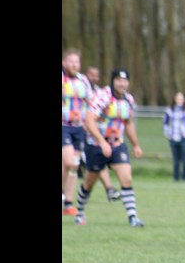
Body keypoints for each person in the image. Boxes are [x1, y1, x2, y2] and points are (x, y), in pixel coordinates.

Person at [75, 69, 145, 227]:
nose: (122, 83)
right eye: (119, 80)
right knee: (89, 183)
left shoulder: (128, 99)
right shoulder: (103, 96)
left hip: (117, 144)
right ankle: (79, 212)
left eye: (125, 80)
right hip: (95, 145)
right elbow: (89, 120)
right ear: (113, 81)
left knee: (126, 178)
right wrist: (101, 142)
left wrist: (135, 145)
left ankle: (132, 217)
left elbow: (128, 123)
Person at [83, 66, 122, 203]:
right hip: (74, 129)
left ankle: (109, 189)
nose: (94, 78)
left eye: (96, 75)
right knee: (73, 165)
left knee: (94, 165)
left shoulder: (101, 92)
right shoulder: (80, 86)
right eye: (91, 74)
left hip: (90, 133)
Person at [62, 48, 94, 216]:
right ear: (64, 63)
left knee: (73, 166)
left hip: (78, 128)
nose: (75, 65)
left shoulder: (83, 81)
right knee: (68, 162)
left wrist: (91, 121)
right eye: (71, 62)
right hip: (63, 126)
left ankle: (67, 203)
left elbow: (90, 101)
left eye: (77, 62)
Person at [163, 92, 185, 182]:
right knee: (176, 160)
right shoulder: (169, 110)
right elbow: (165, 123)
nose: (180, 100)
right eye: (178, 98)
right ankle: (176, 178)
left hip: (184, 138)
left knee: (184, 159)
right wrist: (167, 133)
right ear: (174, 99)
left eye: (181, 99)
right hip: (173, 138)